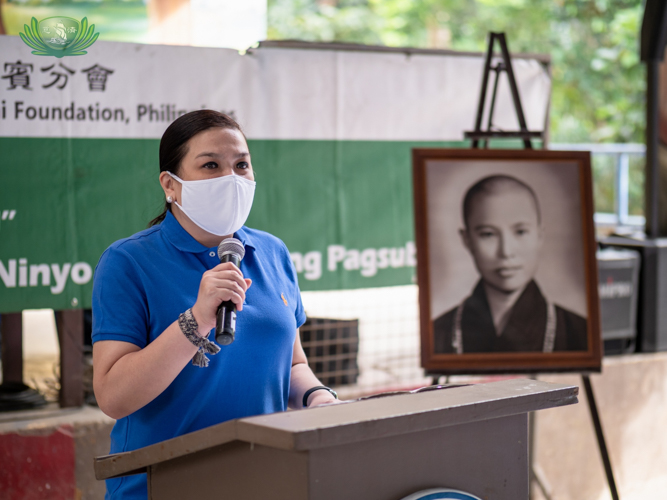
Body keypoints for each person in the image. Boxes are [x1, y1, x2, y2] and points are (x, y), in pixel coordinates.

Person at [92, 110, 338, 499]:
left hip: (262, 478)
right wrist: (196, 319)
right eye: (211, 165)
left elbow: (292, 364)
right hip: (161, 484)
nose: (232, 179)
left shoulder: (271, 251)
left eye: (242, 165)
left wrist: (318, 398)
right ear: (170, 185)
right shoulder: (128, 262)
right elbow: (113, 398)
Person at [433, 174, 588, 354]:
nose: (506, 252)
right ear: (466, 239)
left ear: (540, 235)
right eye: (488, 234)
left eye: (521, 232)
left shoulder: (577, 331)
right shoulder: (440, 332)